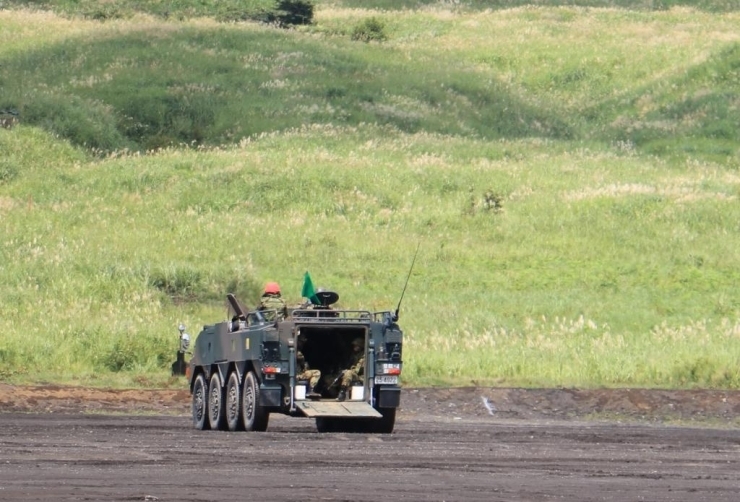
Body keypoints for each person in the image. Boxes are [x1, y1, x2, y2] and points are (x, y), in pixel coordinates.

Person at [336, 337, 364, 402]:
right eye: (354, 345)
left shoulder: (363, 356)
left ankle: (342, 393)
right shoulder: (354, 355)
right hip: (353, 375)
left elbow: (357, 370)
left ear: (361, 346)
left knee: (348, 373)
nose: (355, 347)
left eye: (357, 345)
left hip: (361, 377)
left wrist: (348, 370)